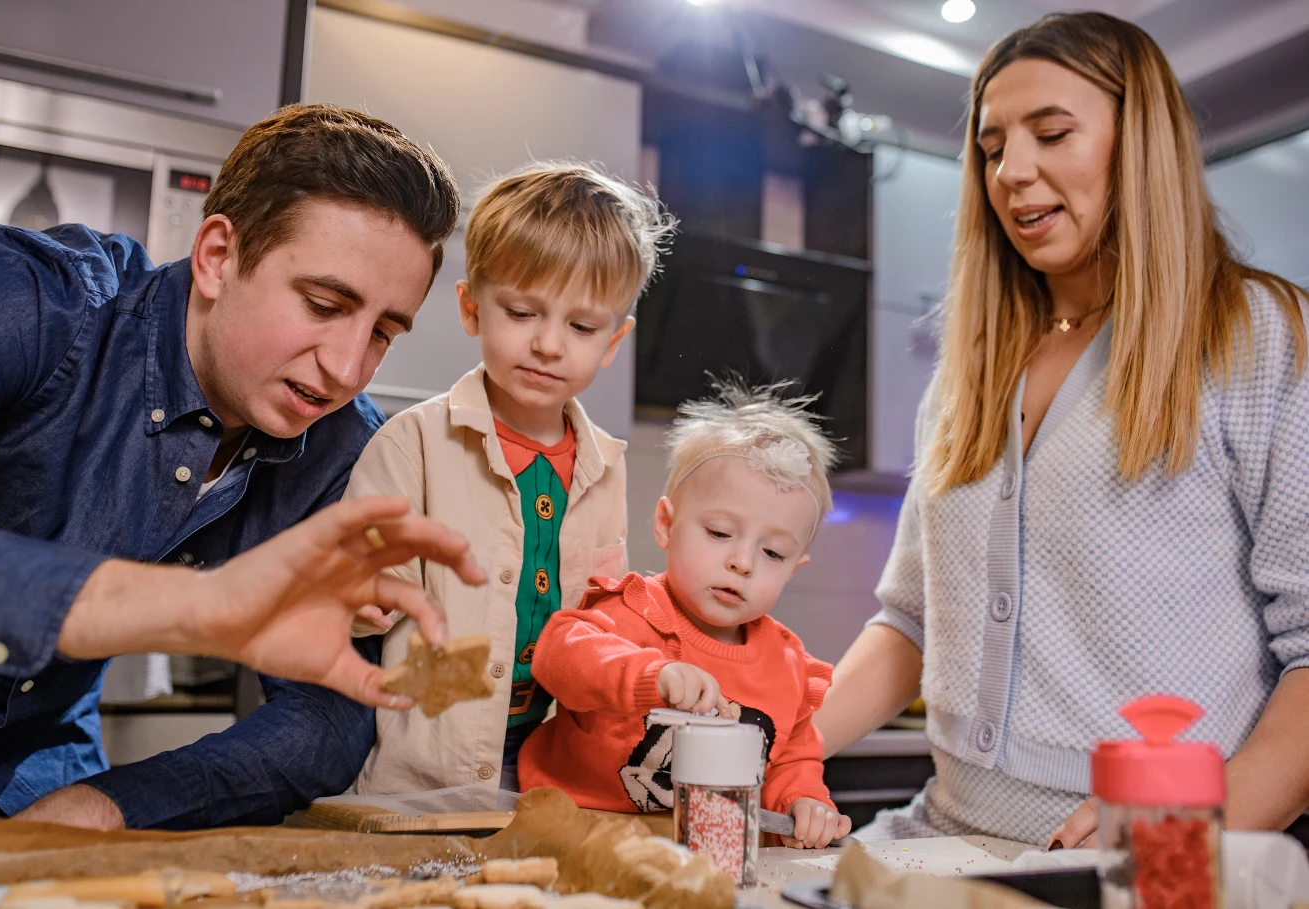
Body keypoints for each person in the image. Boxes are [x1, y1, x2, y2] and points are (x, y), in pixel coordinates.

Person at [813, 11, 1309, 847]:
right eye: (994, 146)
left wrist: (1191, 834)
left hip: (1154, 865)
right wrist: (770, 751)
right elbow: (909, 622)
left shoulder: (1259, 335)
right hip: (937, 838)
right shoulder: (970, 368)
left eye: (1052, 133)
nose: (1013, 171)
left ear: (1139, 141)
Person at [0, 103, 478, 829]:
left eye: (383, 331)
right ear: (218, 256)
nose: (347, 367)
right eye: (324, 304)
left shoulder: (345, 448)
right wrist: (201, 608)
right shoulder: (28, 300)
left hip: (38, 780)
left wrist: (112, 806)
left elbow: (332, 707)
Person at [345, 163, 676, 794]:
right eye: (522, 312)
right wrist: (357, 591)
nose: (550, 344)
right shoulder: (412, 445)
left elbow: (601, 621)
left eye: (581, 327)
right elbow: (362, 606)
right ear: (472, 308)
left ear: (613, 341)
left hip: (552, 772)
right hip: (424, 772)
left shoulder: (606, 466)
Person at [518, 381, 853, 850]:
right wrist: (649, 675)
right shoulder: (634, 611)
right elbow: (558, 654)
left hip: (701, 861)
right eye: (719, 532)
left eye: (773, 553)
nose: (743, 562)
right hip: (572, 839)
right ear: (666, 525)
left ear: (794, 570)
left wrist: (803, 800)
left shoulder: (788, 666)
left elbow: (791, 762)